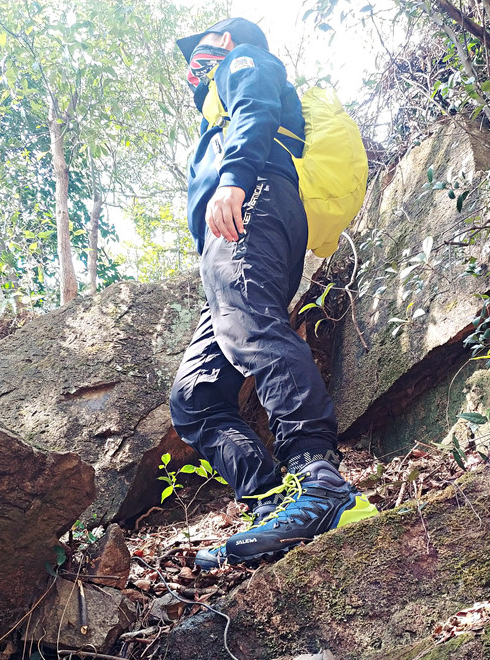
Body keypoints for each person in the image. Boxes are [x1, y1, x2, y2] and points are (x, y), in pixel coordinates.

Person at [170, 18, 377, 569]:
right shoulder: (216, 106)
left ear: (227, 42)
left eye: (200, 50)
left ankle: (320, 481)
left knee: (251, 329)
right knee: (195, 396)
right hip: (243, 234)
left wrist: (233, 178)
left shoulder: (244, 64)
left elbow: (257, 111)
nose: (193, 64)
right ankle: (272, 500)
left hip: (252, 204)